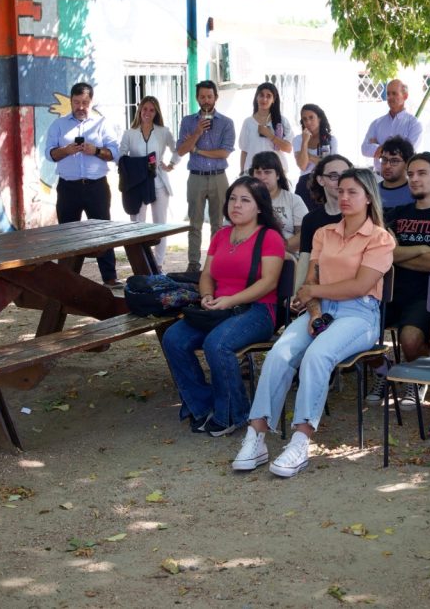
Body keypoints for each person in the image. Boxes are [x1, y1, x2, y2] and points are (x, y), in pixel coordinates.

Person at [232, 168, 395, 477]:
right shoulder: (324, 233)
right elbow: (311, 280)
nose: (343, 197)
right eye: (341, 190)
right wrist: (316, 312)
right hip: (321, 310)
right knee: (279, 354)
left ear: (368, 198)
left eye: (352, 192)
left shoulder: (381, 238)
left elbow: (360, 286)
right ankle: (257, 435)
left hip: (359, 315)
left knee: (317, 356)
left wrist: (313, 294)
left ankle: (300, 441)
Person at [161, 177, 286, 437]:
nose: (236, 205)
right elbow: (207, 274)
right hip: (218, 308)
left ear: (259, 207)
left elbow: (269, 282)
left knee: (217, 344)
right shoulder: (221, 235)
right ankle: (202, 406)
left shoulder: (270, 237)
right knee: (173, 338)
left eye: (245, 200)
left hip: (257, 310)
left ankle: (232, 414)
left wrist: (231, 300)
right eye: (232, 199)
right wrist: (207, 295)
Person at [366, 153, 430, 416]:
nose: (414, 179)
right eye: (410, 174)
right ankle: (385, 371)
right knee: (358, 335)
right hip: (388, 292)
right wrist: (422, 249)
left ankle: (418, 376)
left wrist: (398, 255)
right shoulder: (395, 215)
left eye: (421, 173)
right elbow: (381, 254)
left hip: (429, 295)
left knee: (410, 340)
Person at [47, 82, 121, 285]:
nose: (81, 107)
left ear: (91, 102)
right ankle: (66, 280)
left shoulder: (102, 124)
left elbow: (115, 153)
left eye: (85, 102)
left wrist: (95, 150)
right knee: (66, 235)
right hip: (68, 188)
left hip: (96, 187)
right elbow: (49, 154)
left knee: (103, 232)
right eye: (77, 102)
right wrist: (66, 150)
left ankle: (110, 278)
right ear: (71, 101)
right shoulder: (58, 125)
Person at [176, 80, 236, 273]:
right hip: (196, 176)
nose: (206, 100)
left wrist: (197, 150)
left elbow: (224, 153)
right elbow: (181, 150)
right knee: (195, 223)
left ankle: (215, 263)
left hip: (219, 177)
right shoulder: (188, 122)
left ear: (216, 97)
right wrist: (197, 132)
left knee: (218, 224)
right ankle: (193, 264)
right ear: (197, 98)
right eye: (202, 97)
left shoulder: (226, 123)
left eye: (209, 96)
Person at [119, 96, 178, 269]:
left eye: (152, 110)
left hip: (158, 180)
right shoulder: (129, 133)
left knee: (160, 224)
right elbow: (121, 156)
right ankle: (142, 264)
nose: (147, 113)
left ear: (156, 113)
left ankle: (158, 264)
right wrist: (135, 166)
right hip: (137, 183)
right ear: (140, 110)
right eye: (145, 109)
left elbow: (177, 149)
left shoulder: (163, 131)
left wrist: (171, 165)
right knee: (138, 223)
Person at [296, 155, 352, 291]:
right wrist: (295, 295)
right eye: (334, 176)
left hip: (350, 290)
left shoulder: (359, 216)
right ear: (321, 180)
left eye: (345, 175)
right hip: (317, 289)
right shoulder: (310, 219)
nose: (340, 181)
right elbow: (304, 261)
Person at [250, 151, 308, 254]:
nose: (262, 177)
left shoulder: (293, 200)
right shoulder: (244, 200)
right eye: (258, 172)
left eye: (267, 172)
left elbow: (304, 234)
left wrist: (274, 250)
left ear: (277, 175)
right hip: (250, 253)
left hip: (286, 254)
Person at [361, 79, 422, 173]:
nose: (390, 97)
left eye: (394, 93)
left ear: (405, 96)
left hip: (402, 177)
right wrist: (395, 149)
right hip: (378, 176)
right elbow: (364, 149)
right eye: (388, 94)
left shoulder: (414, 124)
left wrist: (380, 147)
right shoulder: (377, 123)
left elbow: (407, 153)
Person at [238, 81, 294, 175]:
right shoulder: (248, 122)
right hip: (254, 173)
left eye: (268, 96)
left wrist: (270, 135)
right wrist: (242, 173)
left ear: (273, 100)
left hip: (275, 173)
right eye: (261, 95)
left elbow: (288, 148)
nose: (264, 99)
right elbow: (244, 151)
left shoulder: (282, 121)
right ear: (256, 97)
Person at [293, 103, 337, 210]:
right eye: (305, 119)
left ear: (319, 118)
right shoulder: (298, 139)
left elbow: (329, 166)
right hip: (305, 182)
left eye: (311, 117)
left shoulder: (331, 140)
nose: (308, 122)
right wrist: (305, 142)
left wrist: (308, 156)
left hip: (324, 182)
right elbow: (303, 165)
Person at [377, 136, 416, 213]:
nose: (387, 166)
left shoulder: (416, 192)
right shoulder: (371, 191)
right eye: (384, 159)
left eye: (394, 161)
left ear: (408, 164)